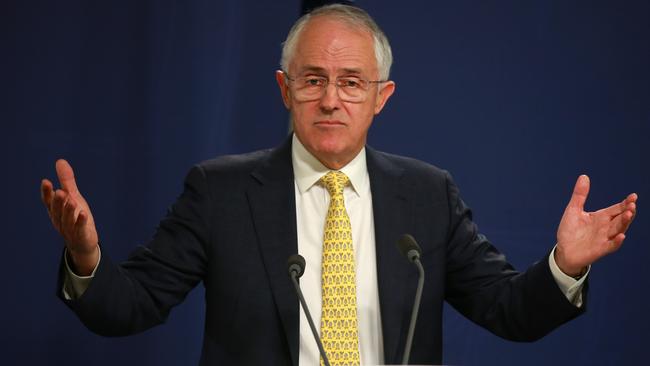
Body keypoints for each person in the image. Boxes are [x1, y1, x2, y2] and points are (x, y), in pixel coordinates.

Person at [40, 4, 637, 366]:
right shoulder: (220, 192)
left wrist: (564, 265)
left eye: (352, 82)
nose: (330, 100)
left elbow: (509, 311)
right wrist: (87, 256)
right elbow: (131, 306)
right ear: (284, 89)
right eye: (313, 80)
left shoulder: (428, 195)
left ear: (382, 98)